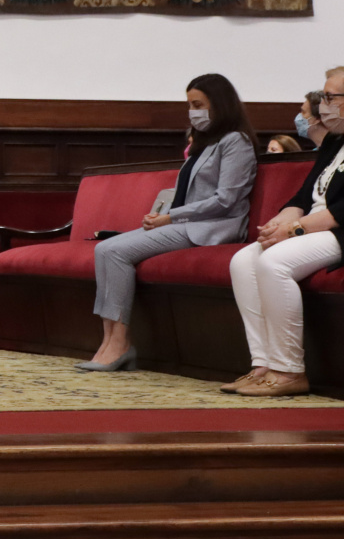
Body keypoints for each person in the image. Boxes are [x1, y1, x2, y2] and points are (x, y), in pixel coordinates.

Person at [78, 74, 256, 372]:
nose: (192, 111)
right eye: (189, 104)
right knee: (104, 249)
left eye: (197, 104)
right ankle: (108, 339)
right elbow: (189, 192)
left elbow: (226, 200)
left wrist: (171, 216)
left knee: (114, 252)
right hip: (185, 222)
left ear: (220, 104)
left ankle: (121, 342)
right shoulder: (205, 143)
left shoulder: (235, 142)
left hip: (213, 227)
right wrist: (162, 215)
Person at [226, 66, 344, 398]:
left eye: (331, 97)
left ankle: (289, 370)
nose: (324, 105)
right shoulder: (336, 140)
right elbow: (304, 196)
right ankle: (262, 364)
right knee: (242, 261)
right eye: (323, 96)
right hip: (310, 227)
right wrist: (278, 224)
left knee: (273, 262)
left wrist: (294, 229)